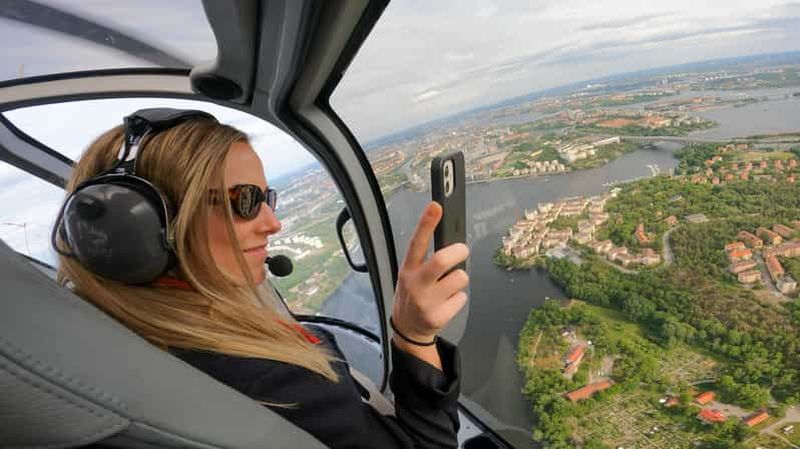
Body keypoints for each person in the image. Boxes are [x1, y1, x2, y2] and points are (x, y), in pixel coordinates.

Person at [54, 111, 470, 448]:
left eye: (266, 198)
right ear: (145, 228)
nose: (273, 223)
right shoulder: (270, 381)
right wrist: (413, 336)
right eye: (245, 202)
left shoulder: (116, 343)